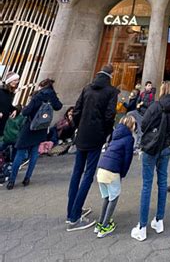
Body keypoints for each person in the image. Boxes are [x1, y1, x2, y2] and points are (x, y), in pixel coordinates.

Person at [66, 64, 118, 231]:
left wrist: (77, 126)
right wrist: (106, 133)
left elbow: (76, 110)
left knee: (76, 172)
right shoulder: (111, 91)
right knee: (88, 175)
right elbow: (110, 116)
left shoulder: (87, 88)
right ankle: (74, 217)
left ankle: (71, 211)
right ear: (111, 75)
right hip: (96, 136)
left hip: (82, 134)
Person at [131, 81, 170, 241]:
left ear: (161, 91)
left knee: (147, 185)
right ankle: (159, 220)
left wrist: (149, 138)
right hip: (166, 149)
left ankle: (142, 226)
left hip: (151, 148)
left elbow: (144, 123)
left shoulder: (155, 106)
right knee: (162, 182)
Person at [6, 78, 62, 190]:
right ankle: (27, 178)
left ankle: (11, 181)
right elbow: (58, 106)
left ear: (41, 86)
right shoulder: (52, 96)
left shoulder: (37, 96)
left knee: (20, 153)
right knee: (34, 154)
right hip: (41, 129)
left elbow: (26, 111)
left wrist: (24, 108)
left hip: (29, 128)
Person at [95, 114, 135, 238]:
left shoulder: (115, 135)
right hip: (113, 171)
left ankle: (100, 223)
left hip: (101, 169)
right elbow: (127, 158)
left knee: (106, 197)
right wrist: (123, 173)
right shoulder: (129, 138)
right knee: (114, 198)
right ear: (131, 125)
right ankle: (105, 226)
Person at [0, 72, 20, 136]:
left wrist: (15, 110)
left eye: (17, 80)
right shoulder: (1, 90)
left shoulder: (10, 93)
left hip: (3, 121)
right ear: (9, 81)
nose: (17, 82)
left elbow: (8, 105)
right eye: (15, 80)